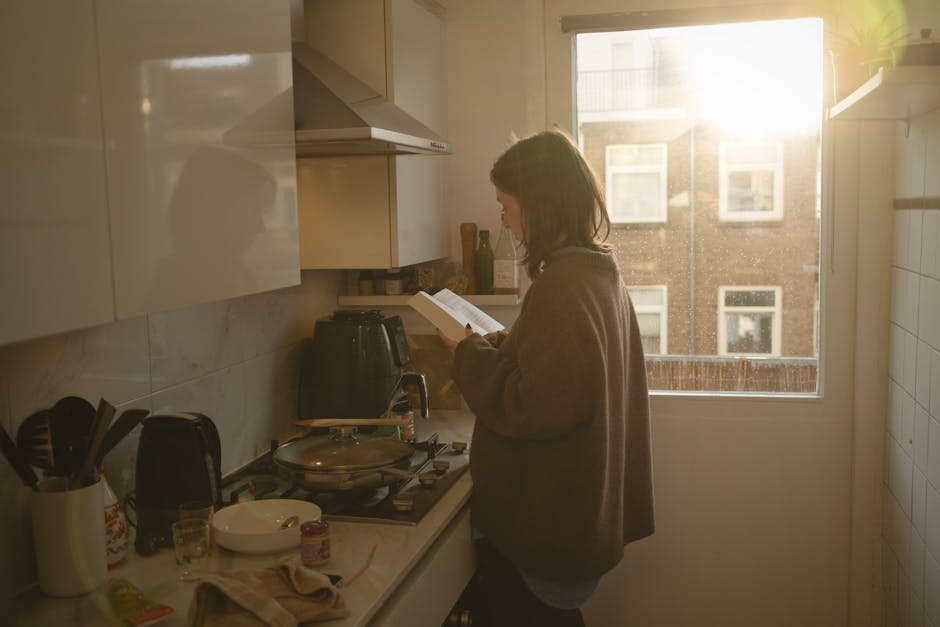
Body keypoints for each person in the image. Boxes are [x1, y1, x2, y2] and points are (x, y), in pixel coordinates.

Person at [439, 130, 655, 626]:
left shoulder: (564, 284)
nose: (504, 218)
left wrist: (467, 351)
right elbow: (566, 371)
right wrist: (502, 345)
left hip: (546, 521)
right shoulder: (597, 269)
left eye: (506, 204)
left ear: (538, 204)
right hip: (578, 513)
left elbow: (535, 404)